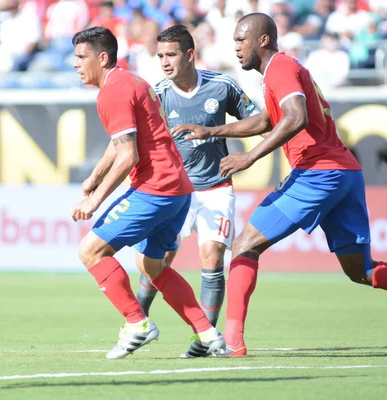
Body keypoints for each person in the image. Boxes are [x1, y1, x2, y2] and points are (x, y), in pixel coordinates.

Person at [182, 13, 387, 357]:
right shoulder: (280, 71)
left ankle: (231, 343)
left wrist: (250, 158)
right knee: (361, 271)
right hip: (344, 173)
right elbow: (267, 120)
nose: (235, 47)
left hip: (317, 173)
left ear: (263, 40)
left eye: (240, 40)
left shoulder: (280, 68)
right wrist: (212, 131)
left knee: (245, 245)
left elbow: (296, 117)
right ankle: (231, 342)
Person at [71, 26, 225, 360]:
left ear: (102, 57)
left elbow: (129, 156)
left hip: (156, 188)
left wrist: (94, 202)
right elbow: (124, 142)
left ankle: (137, 323)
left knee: (90, 251)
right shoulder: (132, 81)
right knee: (151, 265)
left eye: (81, 57)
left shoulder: (112, 92)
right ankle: (207, 332)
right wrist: (95, 176)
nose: (76, 64)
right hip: (179, 189)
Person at [135, 24, 260, 359]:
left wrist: (218, 132)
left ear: (190, 55)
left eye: (171, 54)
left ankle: (206, 338)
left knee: (213, 257)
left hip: (216, 187)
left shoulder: (221, 87)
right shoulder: (158, 94)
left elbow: (259, 120)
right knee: (155, 262)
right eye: (160, 55)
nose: (164, 61)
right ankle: (138, 324)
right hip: (173, 192)